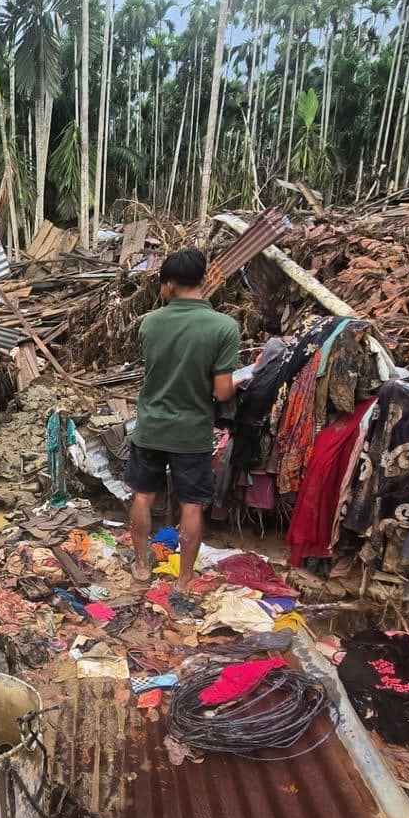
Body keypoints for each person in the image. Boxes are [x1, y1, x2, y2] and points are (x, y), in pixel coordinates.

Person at [127, 248, 240, 594]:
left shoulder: (150, 323)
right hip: (191, 432)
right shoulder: (224, 327)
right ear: (203, 281)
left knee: (142, 496)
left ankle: (142, 566)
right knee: (192, 504)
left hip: (150, 427)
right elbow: (222, 392)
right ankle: (184, 578)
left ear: (168, 286)